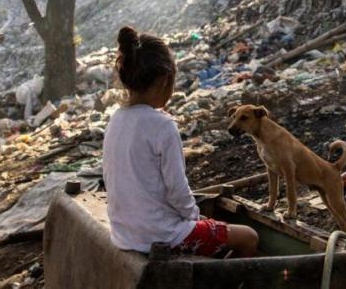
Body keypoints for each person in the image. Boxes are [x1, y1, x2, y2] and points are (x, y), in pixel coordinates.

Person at [103, 26, 259, 257]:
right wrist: (195, 217)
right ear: (166, 79)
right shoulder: (163, 125)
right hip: (160, 235)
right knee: (248, 236)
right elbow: (177, 189)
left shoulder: (116, 119)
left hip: (125, 234)